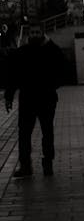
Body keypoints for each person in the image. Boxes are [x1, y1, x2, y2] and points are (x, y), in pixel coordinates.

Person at [4, 23, 66, 177]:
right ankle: (26, 165)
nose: (35, 34)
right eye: (32, 32)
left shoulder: (51, 50)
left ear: (43, 33)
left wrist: (53, 86)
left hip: (46, 99)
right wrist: (9, 96)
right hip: (28, 99)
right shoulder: (22, 52)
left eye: (38, 32)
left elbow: (63, 66)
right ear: (28, 34)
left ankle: (47, 163)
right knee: (24, 134)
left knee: (47, 132)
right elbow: (13, 76)